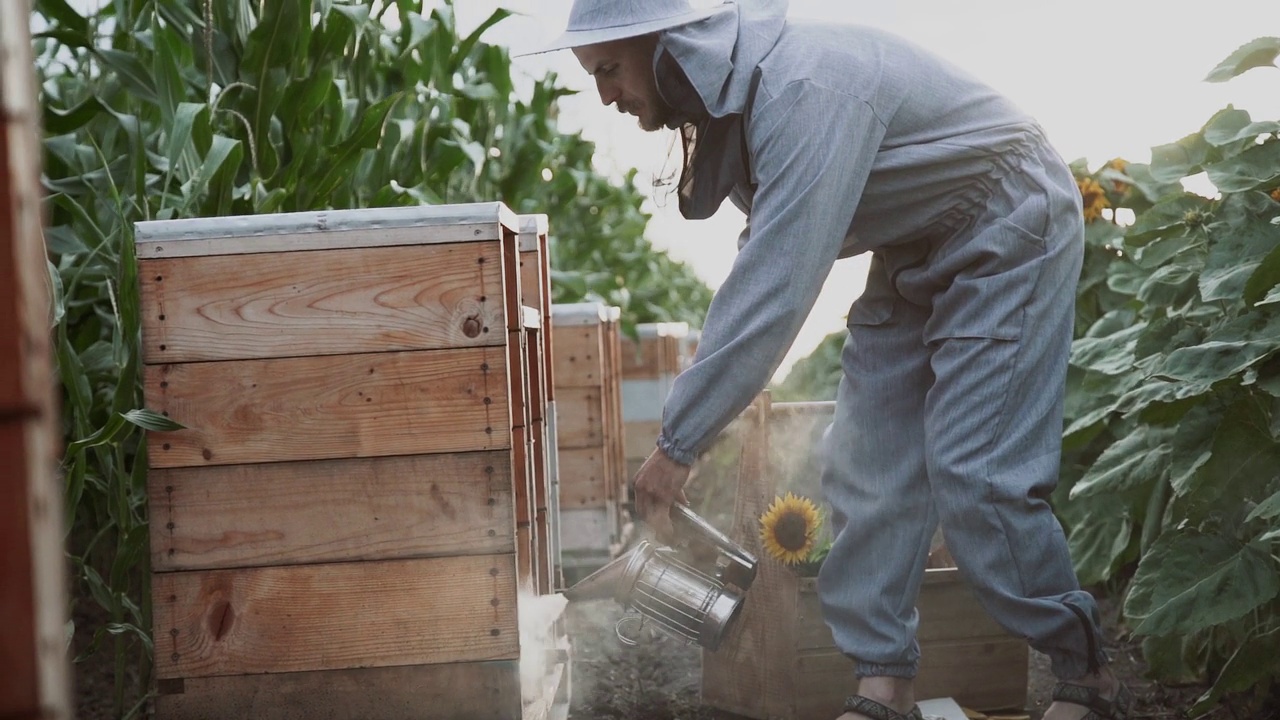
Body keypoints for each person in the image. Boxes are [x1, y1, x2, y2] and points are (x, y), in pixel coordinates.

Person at [519, 1, 1131, 719]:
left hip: (1007, 222)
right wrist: (690, 427)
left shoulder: (802, 87)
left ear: (668, 46)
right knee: (865, 462)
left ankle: (1083, 679)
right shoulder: (752, 100)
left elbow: (778, 282)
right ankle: (884, 687)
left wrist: (679, 443)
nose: (606, 94)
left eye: (610, 69)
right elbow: (763, 255)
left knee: (977, 471)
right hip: (917, 245)